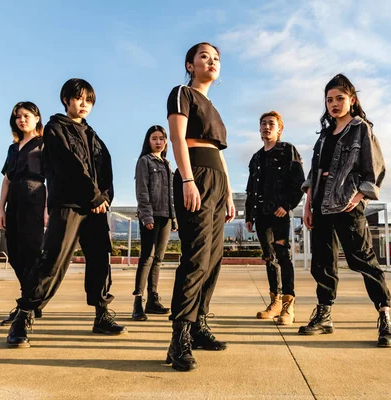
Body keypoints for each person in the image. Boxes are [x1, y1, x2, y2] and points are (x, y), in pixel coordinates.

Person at [6, 78, 125, 348]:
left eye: (89, 100)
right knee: (53, 261)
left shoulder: (94, 135)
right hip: (68, 205)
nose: (83, 104)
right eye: (78, 98)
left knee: (99, 260)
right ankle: (23, 316)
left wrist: (104, 197)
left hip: (95, 208)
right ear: (66, 100)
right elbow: (68, 166)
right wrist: (93, 196)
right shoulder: (54, 129)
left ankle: (101, 315)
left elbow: (106, 169)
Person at [299, 73, 391, 348]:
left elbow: (374, 168)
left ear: (352, 100)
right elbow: (313, 174)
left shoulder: (360, 129)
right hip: (320, 207)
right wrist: (308, 204)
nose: (334, 104)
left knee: (363, 261)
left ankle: (385, 316)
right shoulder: (323, 137)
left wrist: (359, 196)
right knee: (322, 264)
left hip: (347, 205)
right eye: (329, 100)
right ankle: (324, 315)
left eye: (340, 98)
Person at [165, 42, 235, 371]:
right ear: (190, 64)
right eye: (204, 56)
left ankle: (198, 326)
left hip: (217, 179)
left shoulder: (212, 106)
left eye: (216, 58)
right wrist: (187, 179)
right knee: (195, 258)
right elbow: (178, 138)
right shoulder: (182, 92)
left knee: (214, 260)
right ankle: (178, 338)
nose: (212, 61)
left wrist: (230, 193)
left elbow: (218, 151)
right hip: (196, 174)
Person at [245, 111, 305, 324]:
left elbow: (299, 182)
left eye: (271, 124)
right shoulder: (256, 157)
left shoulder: (287, 150)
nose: (266, 127)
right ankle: (275, 301)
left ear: (280, 129)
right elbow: (251, 188)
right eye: (263, 123)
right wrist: (249, 215)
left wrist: (287, 205)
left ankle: (289, 304)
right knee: (269, 258)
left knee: (283, 256)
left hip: (279, 214)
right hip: (261, 216)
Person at [0, 101, 46, 325]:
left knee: (32, 253)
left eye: (27, 115)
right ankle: (29, 300)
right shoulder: (12, 148)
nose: (22, 119)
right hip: (14, 203)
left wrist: (48, 207)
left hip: (35, 199)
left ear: (37, 118)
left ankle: (26, 305)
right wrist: (1, 209)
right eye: (18, 116)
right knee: (15, 254)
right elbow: (6, 179)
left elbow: (53, 177)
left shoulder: (44, 144)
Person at [132, 125, 177, 321]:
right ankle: (138, 303)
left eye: (161, 138)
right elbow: (142, 191)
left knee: (158, 259)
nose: (158, 142)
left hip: (166, 216)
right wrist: (146, 216)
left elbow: (171, 195)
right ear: (148, 141)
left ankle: (153, 300)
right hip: (151, 216)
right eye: (154, 138)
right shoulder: (145, 161)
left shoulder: (167, 164)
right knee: (147, 258)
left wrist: (174, 217)